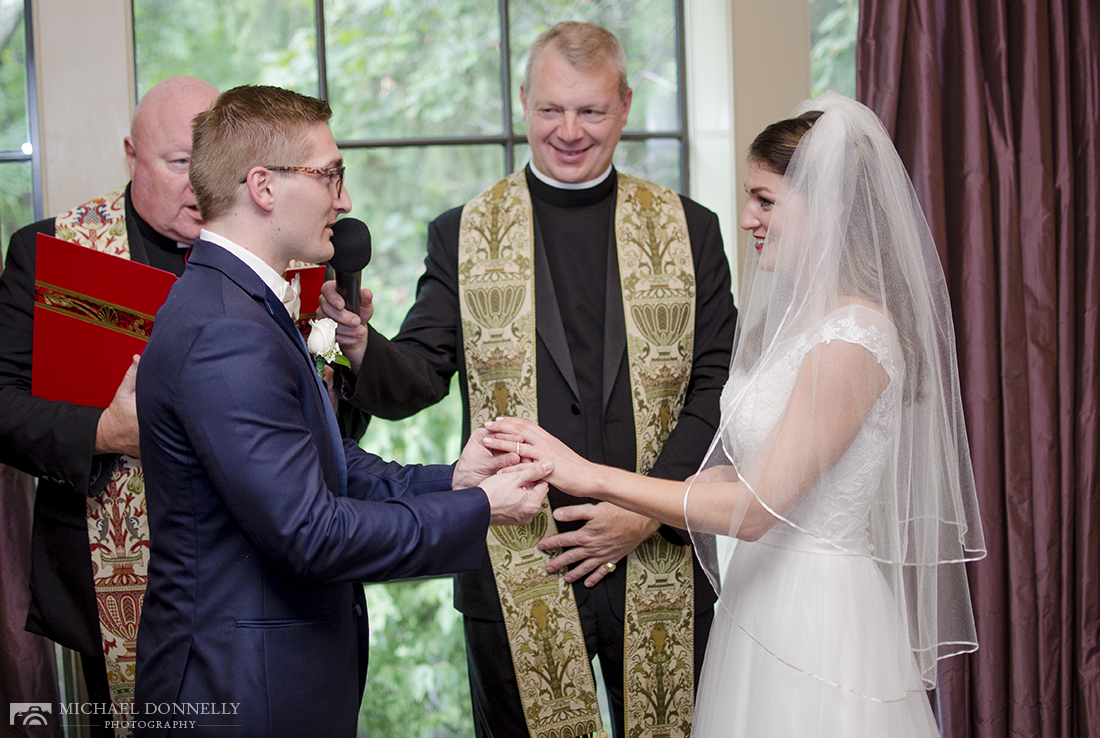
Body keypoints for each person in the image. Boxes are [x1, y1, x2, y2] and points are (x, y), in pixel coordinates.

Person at [485, 91, 987, 736]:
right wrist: (652, 500)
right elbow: (742, 473)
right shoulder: (801, 324)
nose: (747, 217)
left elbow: (756, 510)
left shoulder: (852, 339)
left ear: (831, 207)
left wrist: (592, 475)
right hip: (760, 601)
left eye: (766, 200)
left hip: (818, 619)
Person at [319, 21, 736, 738]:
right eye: (551, 109)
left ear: (626, 106)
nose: (569, 130)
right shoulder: (462, 231)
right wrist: (359, 343)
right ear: (522, 102)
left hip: (658, 557)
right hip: (519, 562)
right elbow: (417, 376)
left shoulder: (689, 229)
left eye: (591, 111)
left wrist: (647, 511)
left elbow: (716, 387)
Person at [133, 84, 551, 738]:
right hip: (244, 691)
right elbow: (311, 534)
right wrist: (483, 508)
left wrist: (454, 481)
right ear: (263, 187)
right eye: (330, 174)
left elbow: (322, 466)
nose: (345, 200)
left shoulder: (243, 304)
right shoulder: (226, 331)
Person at [0, 75, 218, 733]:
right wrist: (102, 432)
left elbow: (333, 428)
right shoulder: (50, 253)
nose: (200, 185)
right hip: (107, 582)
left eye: (214, 165)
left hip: (252, 580)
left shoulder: (269, 255)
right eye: (180, 164)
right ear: (131, 155)